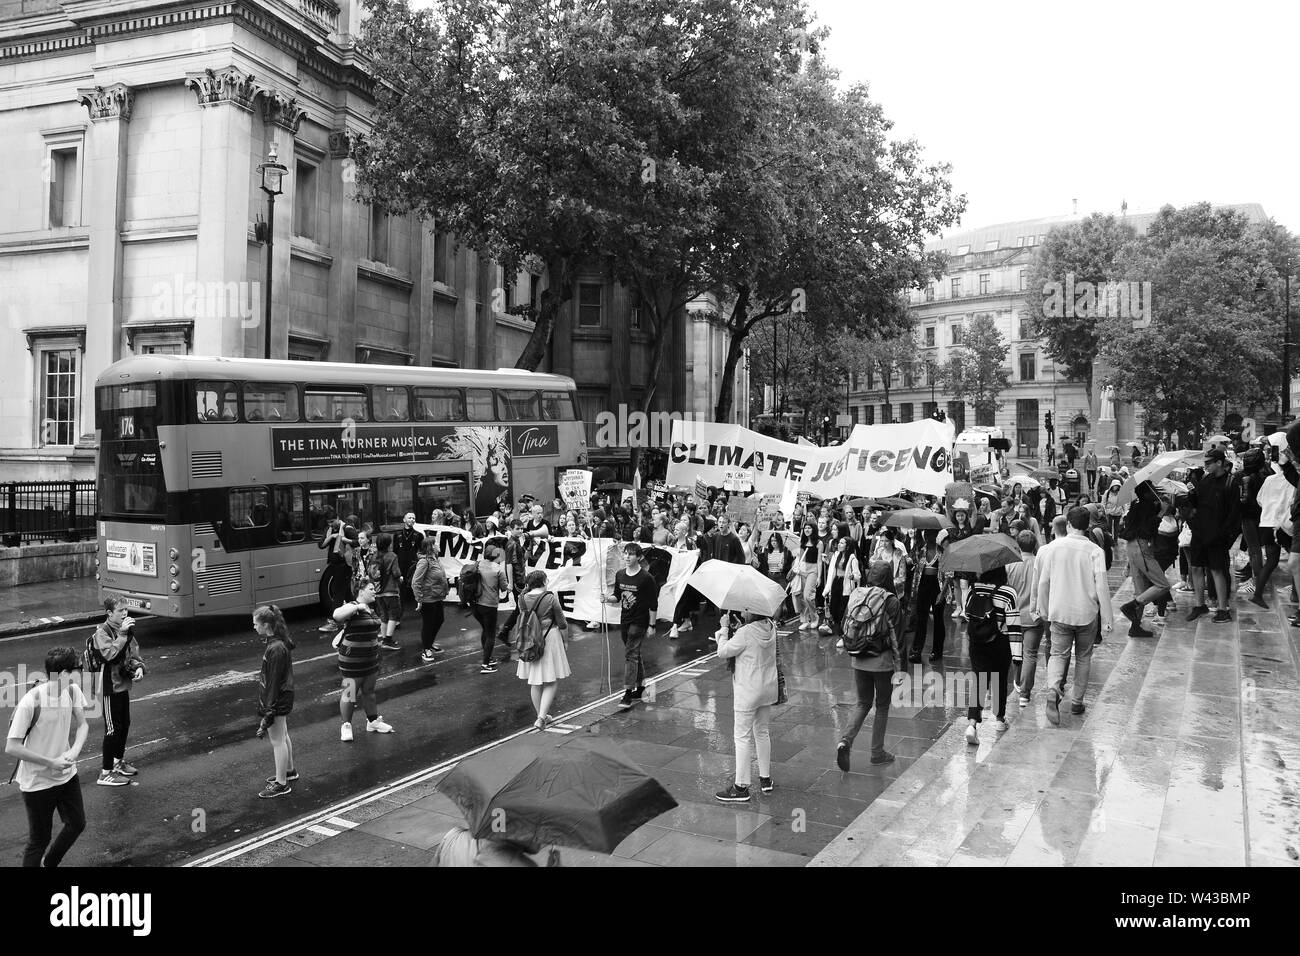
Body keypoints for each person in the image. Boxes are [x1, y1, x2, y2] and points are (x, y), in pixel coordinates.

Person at [6, 646, 89, 866]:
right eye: (78, 668)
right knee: (39, 840)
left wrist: (74, 751)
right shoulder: (31, 702)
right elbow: (12, 747)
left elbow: (83, 725)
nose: (82, 672)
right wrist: (51, 762)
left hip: (66, 776)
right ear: (63, 673)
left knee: (77, 823)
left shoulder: (72, 691)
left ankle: (49, 863)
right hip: (37, 783)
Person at [1036, 507, 1113, 726]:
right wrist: (1108, 619)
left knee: (1058, 654)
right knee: (1084, 657)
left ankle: (1053, 689)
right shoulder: (1095, 550)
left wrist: (1043, 609)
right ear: (1087, 525)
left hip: (1059, 611)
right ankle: (1077, 701)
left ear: (1068, 524)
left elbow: (1043, 582)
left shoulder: (1053, 548)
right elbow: (1102, 587)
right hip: (1086, 613)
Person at [836, 561, 904, 771]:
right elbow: (898, 638)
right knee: (882, 705)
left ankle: (845, 741)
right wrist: (901, 670)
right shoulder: (890, 601)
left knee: (862, 703)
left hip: (858, 657)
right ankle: (877, 752)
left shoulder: (858, 594)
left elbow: (844, 624)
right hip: (881, 662)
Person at [714, 609, 779, 802]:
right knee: (762, 732)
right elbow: (752, 645)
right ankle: (765, 779)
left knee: (742, 737)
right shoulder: (771, 627)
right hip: (767, 688)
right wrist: (740, 629)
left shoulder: (745, 633)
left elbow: (722, 651)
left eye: (745, 610)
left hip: (748, 691)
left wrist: (724, 628)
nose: (742, 612)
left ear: (752, 611)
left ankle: (741, 787)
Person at [1178, 447, 1239, 624]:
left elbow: (1234, 514)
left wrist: (1225, 536)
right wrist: (1190, 493)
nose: (1205, 466)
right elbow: (1196, 502)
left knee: (1217, 570)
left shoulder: (1230, 483)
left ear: (1219, 462)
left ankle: (1222, 608)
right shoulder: (1205, 480)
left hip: (1218, 536)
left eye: (1208, 463)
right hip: (1200, 532)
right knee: (1196, 567)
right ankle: (1199, 604)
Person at [962, 565, 1019, 746]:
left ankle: (972, 724)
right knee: (999, 679)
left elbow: (968, 614)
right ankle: (1000, 719)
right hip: (1000, 643)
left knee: (979, 681)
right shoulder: (1008, 593)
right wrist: (1017, 656)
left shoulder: (974, 588)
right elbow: (1014, 625)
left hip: (977, 642)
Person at [92, 596, 145, 786]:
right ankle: (105, 773)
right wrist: (122, 634)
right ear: (109, 613)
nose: (125, 613)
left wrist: (138, 667)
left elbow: (133, 653)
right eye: (120, 610)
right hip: (108, 688)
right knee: (112, 730)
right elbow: (110, 657)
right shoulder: (102, 633)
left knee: (124, 724)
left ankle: (117, 762)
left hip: (122, 685)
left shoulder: (126, 629)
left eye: (126, 610)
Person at [332, 582, 394, 738]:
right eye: (371, 589)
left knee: (369, 691)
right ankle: (346, 726)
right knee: (349, 692)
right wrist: (357, 607)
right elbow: (337, 615)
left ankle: (372, 722)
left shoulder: (371, 609)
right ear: (360, 591)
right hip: (352, 660)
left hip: (370, 659)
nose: (375, 591)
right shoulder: (353, 607)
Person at [514, 570, 571, 729]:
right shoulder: (550, 598)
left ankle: (542, 715)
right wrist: (565, 641)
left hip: (529, 640)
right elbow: (562, 623)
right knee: (551, 681)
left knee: (535, 681)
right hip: (549, 638)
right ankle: (541, 718)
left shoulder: (522, 598)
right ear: (544, 582)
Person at [607, 543, 659, 710]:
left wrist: (652, 625)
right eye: (625, 554)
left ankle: (628, 693)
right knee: (634, 654)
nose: (627, 557)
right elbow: (617, 596)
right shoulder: (620, 575)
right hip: (625, 619)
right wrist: (607, 599)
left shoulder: (646, 578)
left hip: (640, 621)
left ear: (639, 557)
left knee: (630, 655)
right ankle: (641, 688)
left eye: (631, 554)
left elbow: (653, 603)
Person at [1117, 481, 1171, 637]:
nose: (1155, 491)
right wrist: (1161, 513)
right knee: (1162, 584)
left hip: (1132, 547)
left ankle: (1135, 627)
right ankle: (1131, 606)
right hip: (1141, 547)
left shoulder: (1137, 505)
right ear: (1147, 493)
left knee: (1140, 591)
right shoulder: (1145, 506)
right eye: (1152, 489)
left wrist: (1161, 508)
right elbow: (1149, 528)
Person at [253, 604, 296, 798]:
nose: (254, 627)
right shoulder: (277, 643)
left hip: (277, 699)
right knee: (283, 734)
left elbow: (273, 682)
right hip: (282, 696)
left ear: (266, 625)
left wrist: (268, 710)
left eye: (256, 624)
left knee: (277, 740)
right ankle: (289, 771)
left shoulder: (276, 648)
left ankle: (281, 783)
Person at [1005, 531, 1041, 707]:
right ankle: (1025, 693)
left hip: (1013, 616)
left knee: (1016, 652)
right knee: (1030, 653)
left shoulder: (1010, 565)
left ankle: (1017, 681)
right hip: (1034, 616)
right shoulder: (1039, 564)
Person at [908, 529, 949, 663]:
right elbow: (913, 562)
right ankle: (916, 651)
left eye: (931, 534)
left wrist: (942, 593)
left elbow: (949, 574)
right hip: (922, 585)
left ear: (936, 535)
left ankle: (937, 651)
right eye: (926, 534)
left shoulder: (943, 551)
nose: (928, 537)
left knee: (938, 619)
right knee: (921, 619)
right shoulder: (919, 549)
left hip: (937, 586)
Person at [318, 513, 358, 632]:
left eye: (332, 521)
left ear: (337, 518)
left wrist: (342, 538)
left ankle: (333, 622)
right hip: (334, 565)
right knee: (346, 594)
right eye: (328, 522)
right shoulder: (329, 530)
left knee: (337, 592)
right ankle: (359, 614)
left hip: (344, 565)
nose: (330, 524)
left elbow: (356, 542)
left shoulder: (347, 528)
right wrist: (331, 537)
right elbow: (321, 545)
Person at [411, 537, 448, 662]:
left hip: (437, 596)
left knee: (439, 620)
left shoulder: (435, 559)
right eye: (436, 543)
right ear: (431, 547)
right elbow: (415, 582)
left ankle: (429, 643)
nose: (438, 544)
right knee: (428, 624)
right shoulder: (424, 562)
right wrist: (419, 599)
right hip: (428, 598)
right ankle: (426, 649)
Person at [473, 544, 507, 674]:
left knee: (485, 630)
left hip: (476, 604)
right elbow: (504, 588)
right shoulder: (498, 569)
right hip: (489, 605)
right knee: (491, 634)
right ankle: (486, 664)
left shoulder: (477, 564)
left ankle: (488, 657)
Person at [822, 536, 861, 640]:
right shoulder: (837, 555)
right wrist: (827, 561)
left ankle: (842, 630)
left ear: (848, 546)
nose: (839, 544)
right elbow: (832, 570)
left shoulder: (852, 559)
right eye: (839, 542)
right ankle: (837, 626)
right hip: (836, 582)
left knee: (842, 608)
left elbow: (858, 575)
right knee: (833, 607)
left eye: (842, 543)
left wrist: (852, 576)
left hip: (846, 585)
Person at [373, 533, 404, 650]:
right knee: (393, 614)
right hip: (390, 590)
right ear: (389, 544)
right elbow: (396, 573)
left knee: (383, 615)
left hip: (378, 590)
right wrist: (400, 578)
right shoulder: (392, 556)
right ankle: (388, 640)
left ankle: (384, 639)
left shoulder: (374, 556)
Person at [793, 522, 822, 631]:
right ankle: (805, 620)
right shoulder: (802, 542)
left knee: (807, 596)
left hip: (813, 571)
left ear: (813, 529)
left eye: (809, 528)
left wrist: (819, 576)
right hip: (802, 570)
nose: (807, 530)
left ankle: (814, 617)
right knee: (802, 597)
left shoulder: (819, 543)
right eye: (805, 528)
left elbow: (819, 561)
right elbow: (799, 557)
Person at [394, 513, 424, 607]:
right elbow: (395, 551)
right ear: (404, 520)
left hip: (413, 563)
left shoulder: (418, 535)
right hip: (401, 563)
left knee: (413, 582)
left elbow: (421, 551)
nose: (412, 519)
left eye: (414, 518)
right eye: (409, 518)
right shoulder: (397, 535)